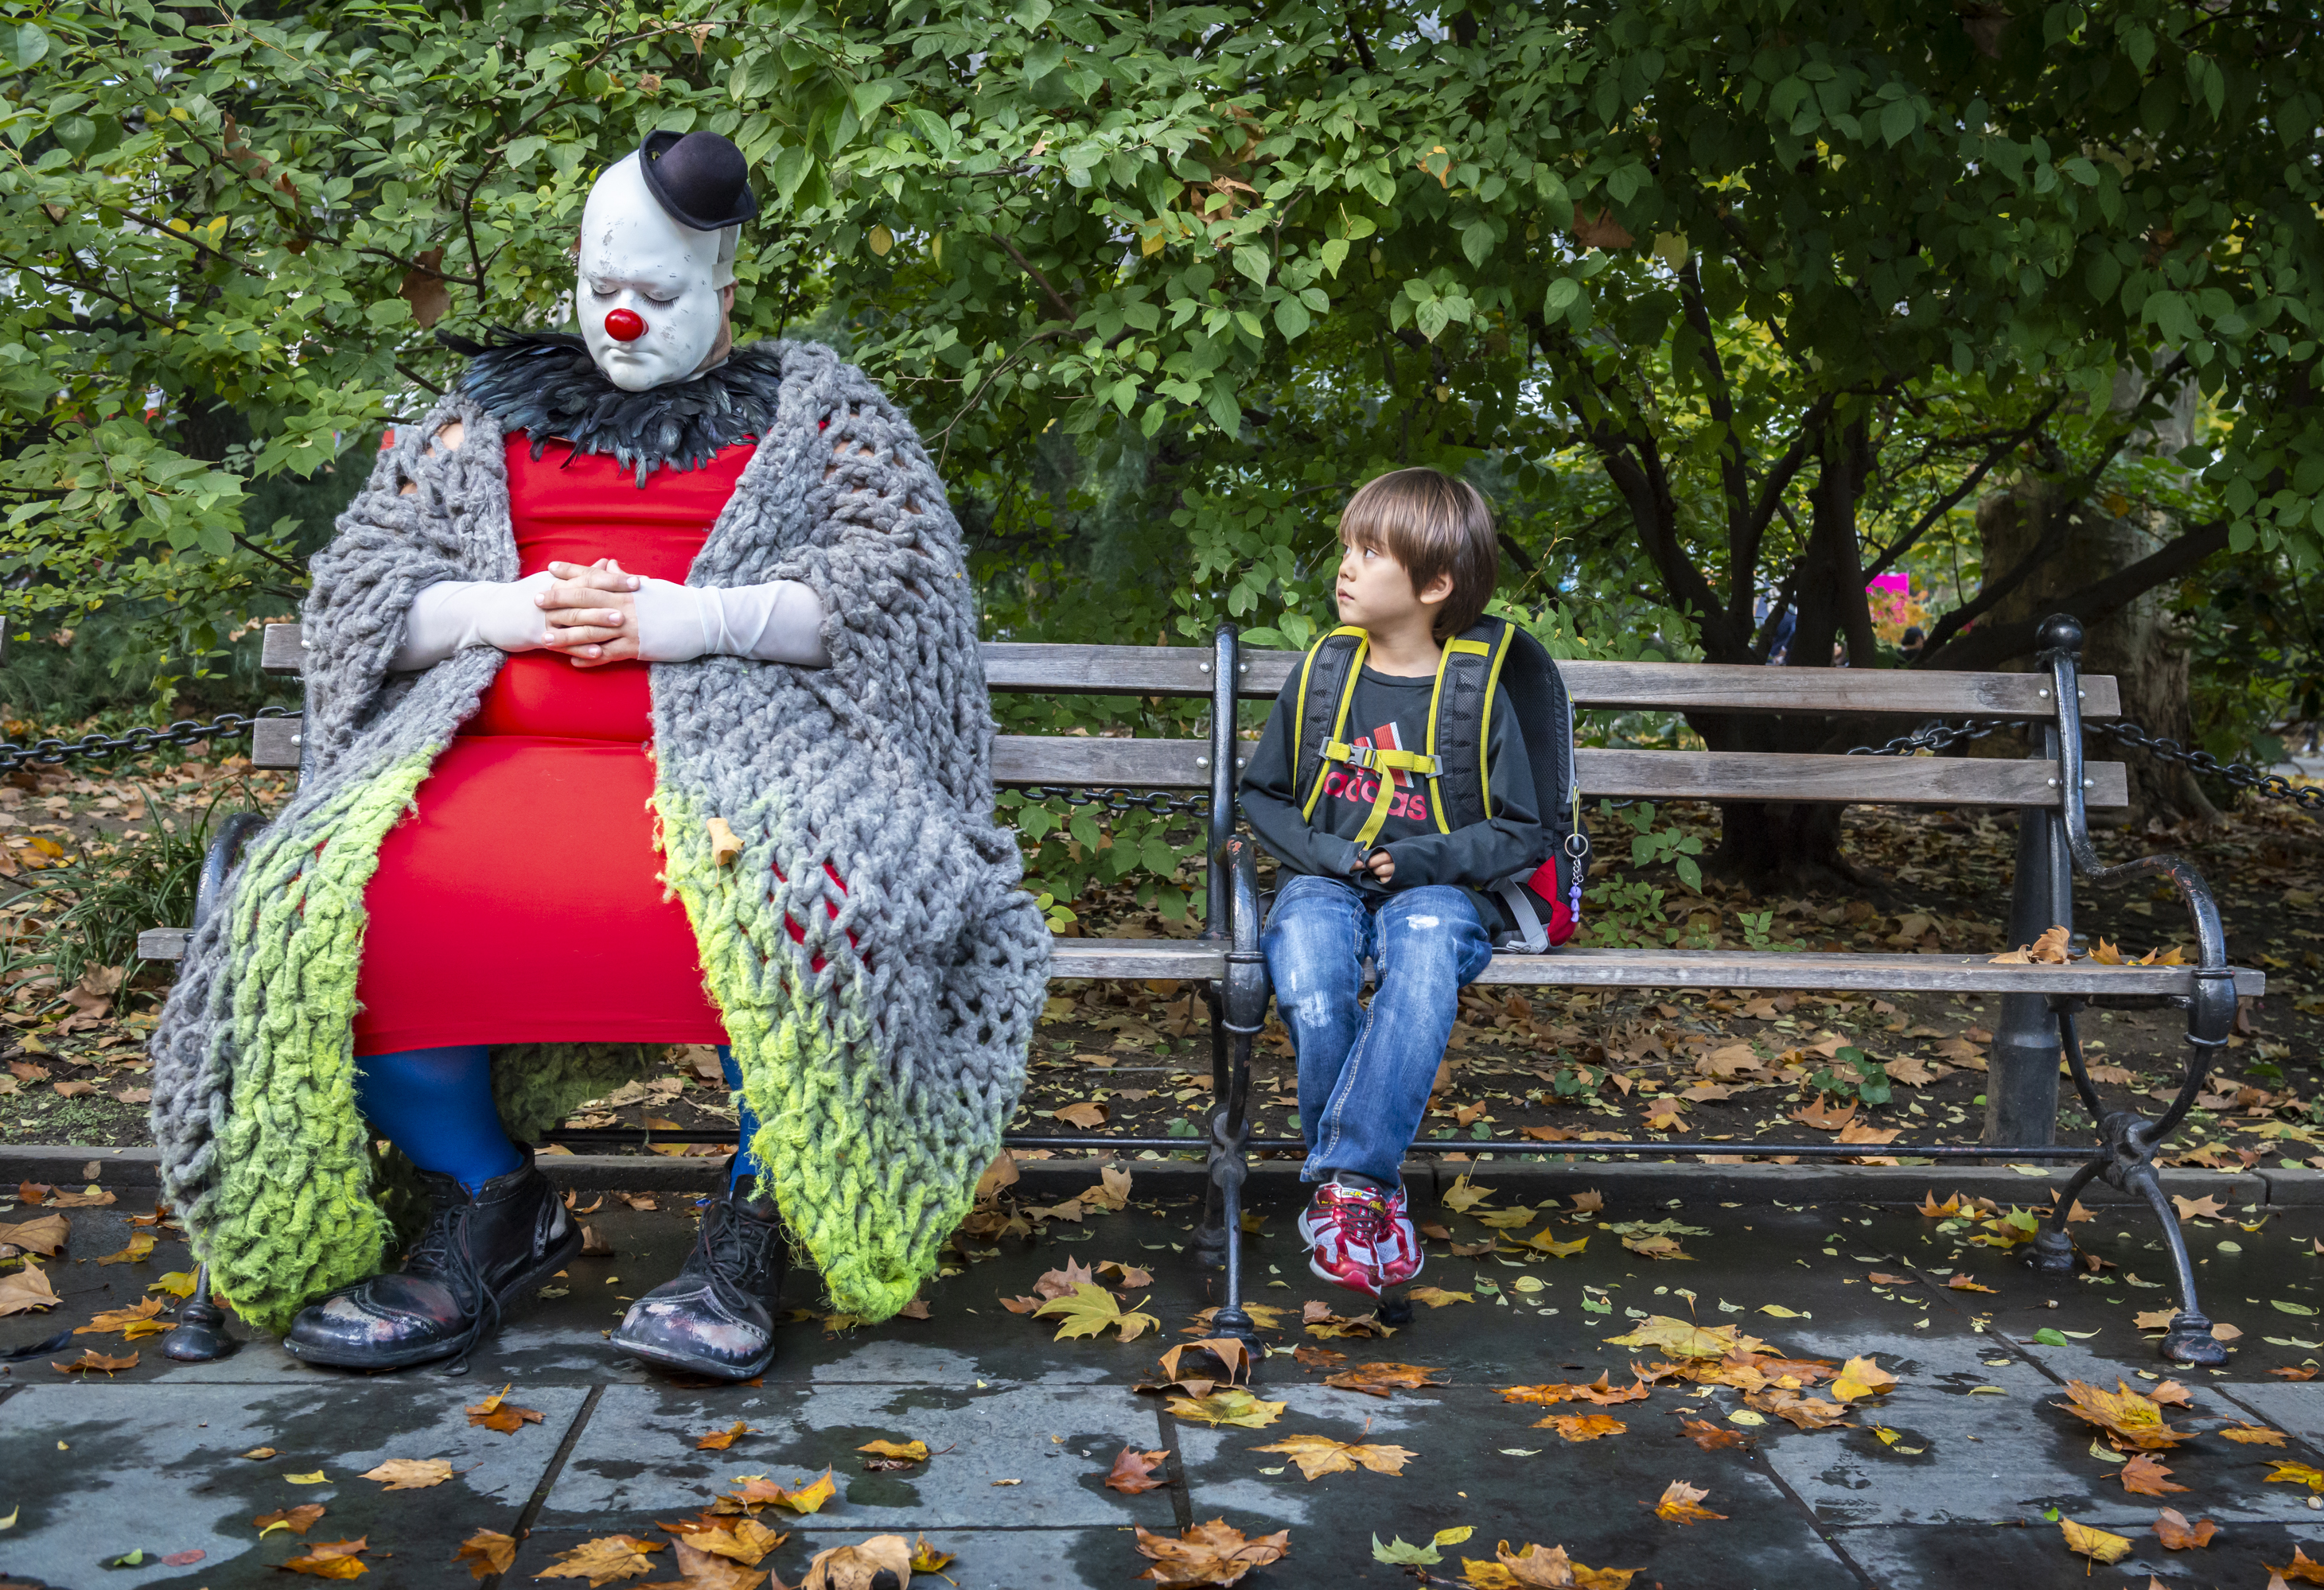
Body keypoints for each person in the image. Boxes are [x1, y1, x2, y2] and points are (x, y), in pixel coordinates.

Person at [148, 130, 1049, 1378]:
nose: (622, 320)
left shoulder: (823, 415)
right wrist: (494, 609)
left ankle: (757, 1212)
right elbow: (362, 591)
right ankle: (490, 1199)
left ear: (727, 288)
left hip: (758, 766)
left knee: (805, 899)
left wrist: (696, 618)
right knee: (311, 909)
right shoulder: (476, 418)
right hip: (467, 761)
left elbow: (896, 594)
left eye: (661, 296)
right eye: (601, 290)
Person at [1236, 469, 1543, 1296]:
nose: (1345, 565)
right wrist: (1327, 857)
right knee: (1306, 966)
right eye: (1348, 547)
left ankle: (1348, 1187)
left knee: (1426, 943)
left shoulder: (1477, 692)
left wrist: (1420, 863)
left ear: (1435, 585)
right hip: (1324, 880)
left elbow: (1524, 828)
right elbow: (1259, 794)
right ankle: (1363, 1188)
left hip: (1437, 894)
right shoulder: (1323, 673)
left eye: (1370, 552)